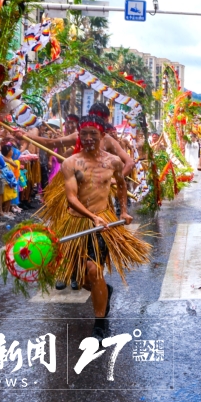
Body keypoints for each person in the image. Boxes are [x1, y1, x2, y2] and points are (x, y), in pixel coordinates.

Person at [57, 115, 151, 339]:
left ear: (102, 135)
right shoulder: (70, 163)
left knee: (93, 269)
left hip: (103, 223)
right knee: (79, 279)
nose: (88, 137)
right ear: (79, 136)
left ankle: (99, 323)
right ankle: (103, 291)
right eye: (84, 133)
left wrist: (124, 211)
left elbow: (121, 185)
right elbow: (71, 198)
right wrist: (91, 216)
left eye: (93, 133)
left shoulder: (113, 162)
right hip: (76, 222)